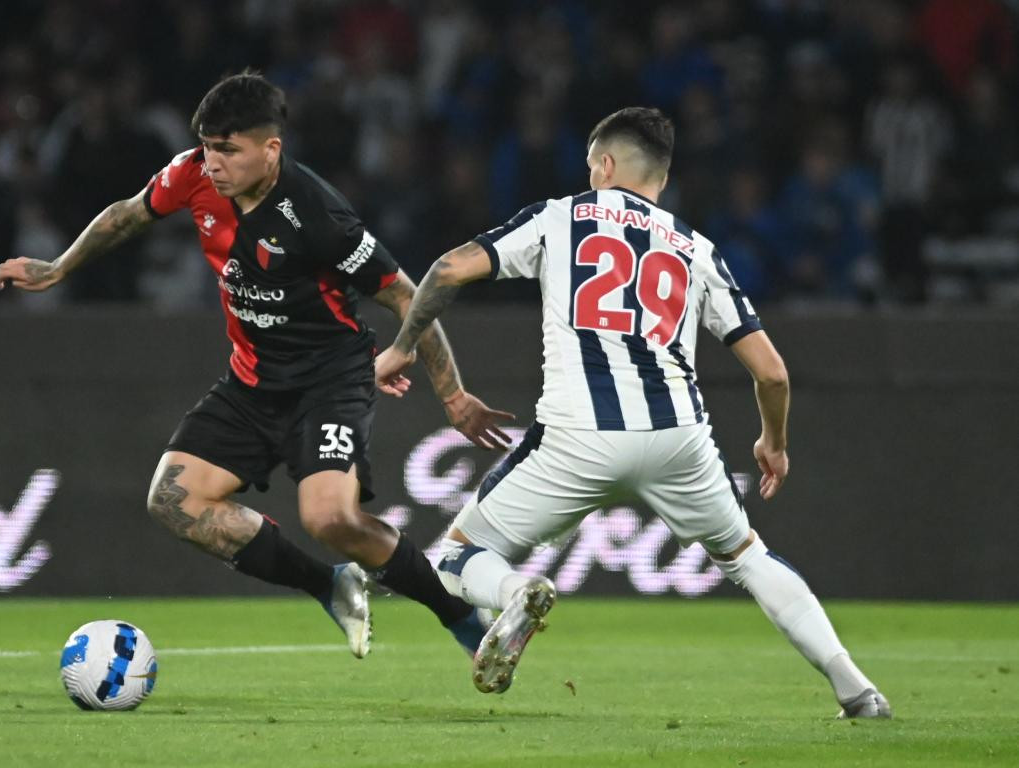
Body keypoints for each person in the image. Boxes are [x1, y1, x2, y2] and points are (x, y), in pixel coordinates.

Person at [375, 107, 891, 718]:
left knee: (453, 557)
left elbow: (449, 268)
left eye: (592, 165)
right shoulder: (696, 248)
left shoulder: (561, 216)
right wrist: (773, 442)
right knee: (748, 557)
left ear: (605, 165)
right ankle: (857, 689)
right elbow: (772, 371)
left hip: (578, 436)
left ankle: (516, 594)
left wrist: (403, 348)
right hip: (680, 438)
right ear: (662, 180)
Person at [0, 70, 513, 659]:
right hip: (251, 381)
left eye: (228, 150)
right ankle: (329, 584)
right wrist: (58, 266)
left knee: (329, 520)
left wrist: (451, 394)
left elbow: (406, 293)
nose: (213, 163)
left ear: (271, 149)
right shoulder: (193, 173)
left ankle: (461, 617)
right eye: (209, 147)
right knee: (173, 501)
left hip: (329, 380)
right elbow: (129, 213)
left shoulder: (317, 213)